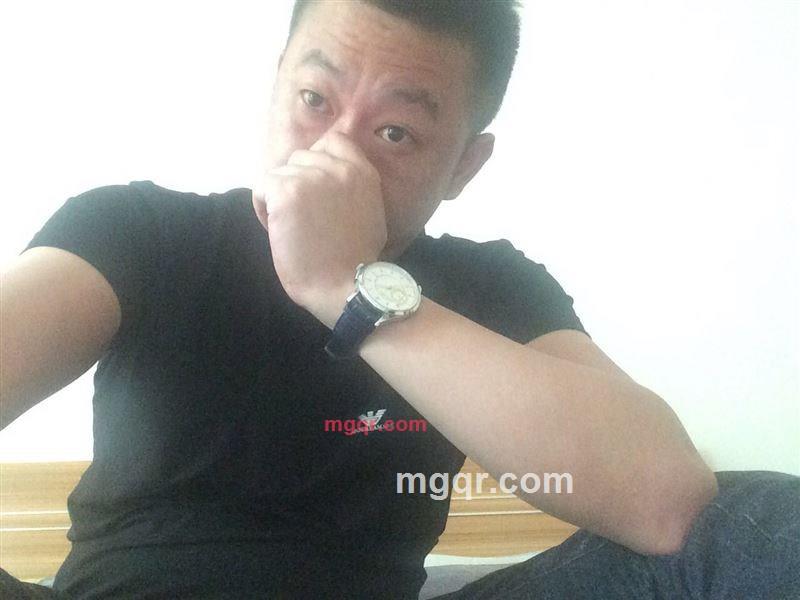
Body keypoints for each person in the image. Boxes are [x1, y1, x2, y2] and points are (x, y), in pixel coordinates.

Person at [1, 1, 798, 598]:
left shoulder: (491, 284)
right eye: (314, 99)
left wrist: (347, 287)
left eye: (396, 134)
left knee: (756, 524)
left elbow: (666, 501)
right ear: (274, 90)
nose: (335, 154)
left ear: (464, 168)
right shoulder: (138, 230)